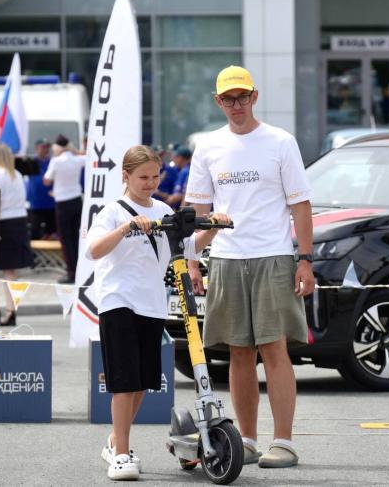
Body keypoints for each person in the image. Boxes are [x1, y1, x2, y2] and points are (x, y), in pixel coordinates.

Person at [184, 65, 315, 468]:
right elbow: (197, 212)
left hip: (272, 255)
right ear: (218, 101)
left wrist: (305, 260)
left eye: (242, 97)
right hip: (226, 258)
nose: (236, 105)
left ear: (254, 97)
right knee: (238, 353)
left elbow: (300, 205)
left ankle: (284, 442)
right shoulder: (208, 146)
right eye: (228, 99)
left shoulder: (280, 141)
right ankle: (247, 440)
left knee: (274, 349)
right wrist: (193, 261)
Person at [86, 145, 230, 481]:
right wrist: (126, 228)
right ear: (126, 176)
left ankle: (115, 441)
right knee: (124, 383)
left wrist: (214, 227)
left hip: (151, 304)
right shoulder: (112, 212)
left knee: (141, 383)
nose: (151, 183)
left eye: (155, 176)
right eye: (143, 177)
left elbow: (189, 247)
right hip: (118, 301)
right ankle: (121, 454)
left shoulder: (164, 209)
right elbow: (93, 250)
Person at [43, 134, 85, 284]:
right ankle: (80, 270)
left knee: (66, 238)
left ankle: (71, 272)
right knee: (76, 237)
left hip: (62, 202)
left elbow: (47, 181)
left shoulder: (56, 161)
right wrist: (75, 151)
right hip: (76, 200)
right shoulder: (78, 159)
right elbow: (89, 156)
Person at [26, 138, 57, 240]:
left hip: (51, 202)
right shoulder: (31, 162)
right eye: (43, 147)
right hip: (36, 202)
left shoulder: (53, 162)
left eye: (47, 147)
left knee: (51, 232)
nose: (45, 149)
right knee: (35, 230)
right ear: (36, 148)